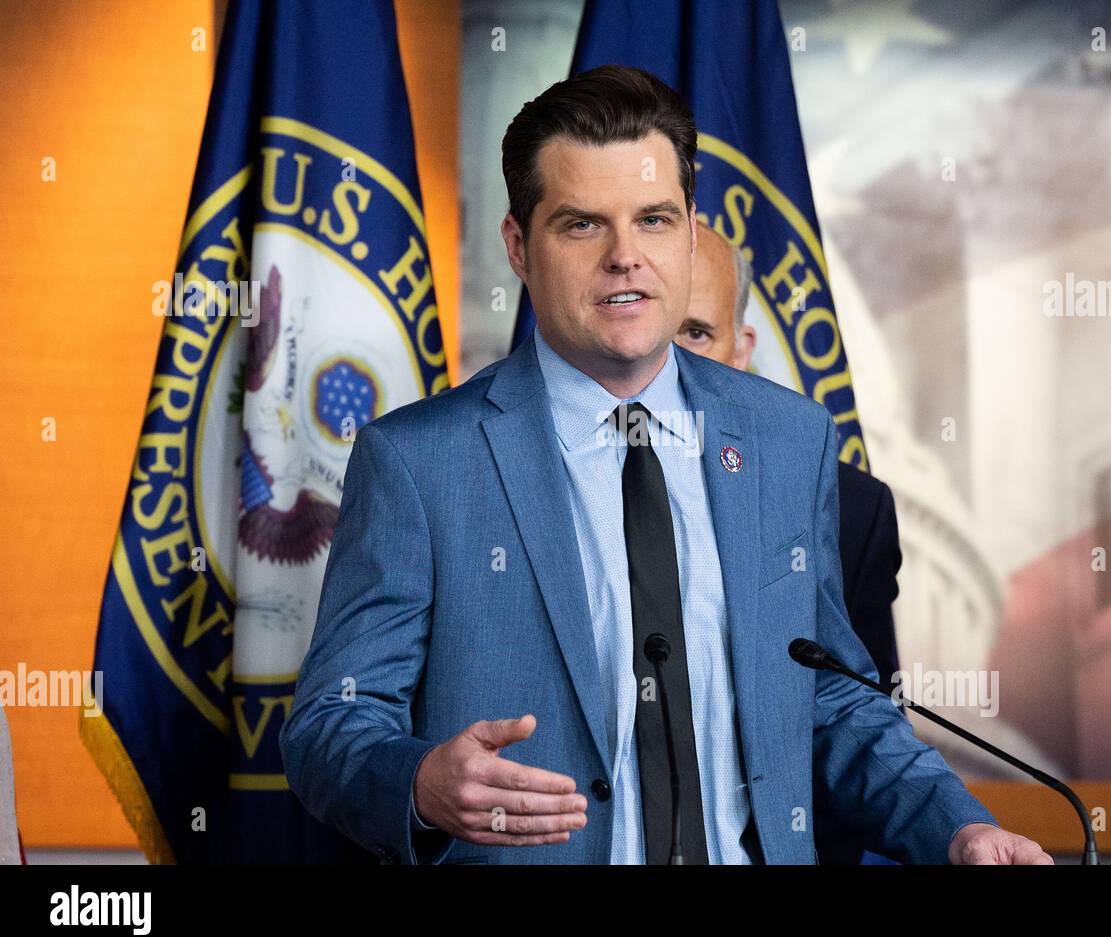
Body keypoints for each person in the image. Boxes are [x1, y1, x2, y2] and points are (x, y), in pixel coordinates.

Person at [281, 64, 1051, 865]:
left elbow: (829, 701)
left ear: (689, 232)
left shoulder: (788, 440)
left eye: (653, 219)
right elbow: (330, 724)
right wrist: (418, 783)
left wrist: (958, 826)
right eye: (582, 224)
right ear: (518, 245)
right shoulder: (418, 463)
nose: (626, 257)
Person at [673, 225, 903, 687]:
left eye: (696, 333)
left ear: (741, 352)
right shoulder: (542, 477)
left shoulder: (851, 513)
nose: (670, 360)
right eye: (656, 332)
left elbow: (863, 710)